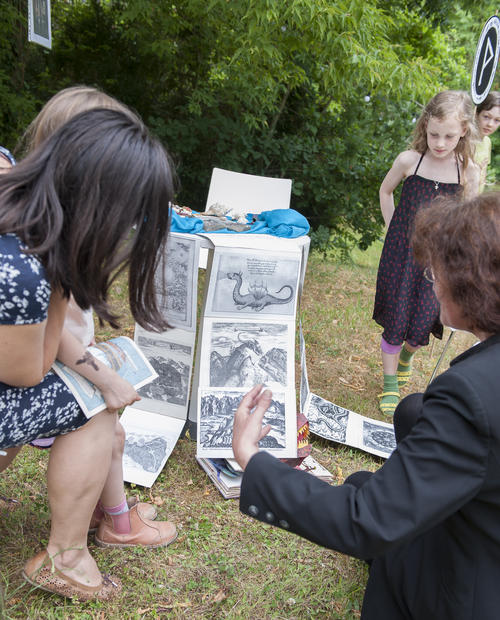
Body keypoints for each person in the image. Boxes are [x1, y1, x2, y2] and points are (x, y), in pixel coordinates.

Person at [233, 191, 500, 620]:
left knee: (377, 524)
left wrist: (251, 458)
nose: (431, 282)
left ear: (470, 285)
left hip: (474, 589)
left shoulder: (470, 395)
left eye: (434, 273)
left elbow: (366, 523)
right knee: (403, 422)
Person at [0, 108, 177, 601]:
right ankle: (68, 559)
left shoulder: (11, 192)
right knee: (91, 404)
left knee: (93, 381)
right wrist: (63, 278)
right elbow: (27, 371)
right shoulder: (24, 271)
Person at [10, 85, 159, 531]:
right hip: (35, 359)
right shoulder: (30, 260)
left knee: (108, 429)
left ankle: (112, 516)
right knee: (98, 408)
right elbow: (32, 364)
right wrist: (104, 376)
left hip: (41, 352)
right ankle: (113, 526)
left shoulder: (37, 225)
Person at [373, 90, 479, 415]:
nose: (440, 142)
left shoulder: (468, 171)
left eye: (449, 135)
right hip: (401, 255)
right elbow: (385, 190)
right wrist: (394, 228)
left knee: (421, 327)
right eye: (434, 134)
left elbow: (470, 217)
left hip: (438, 261)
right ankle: (390, 383)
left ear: (463, 131)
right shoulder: (410, 161)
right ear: (425, 126)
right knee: (396, 316)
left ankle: (408, 354)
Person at [474, 91, 500, 192]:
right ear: (476, 114)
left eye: (497, 120)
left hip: (475, 202)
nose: (490, 124)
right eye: (486, 117)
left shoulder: (487, 142)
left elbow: (483, 172)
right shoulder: (464, 141)